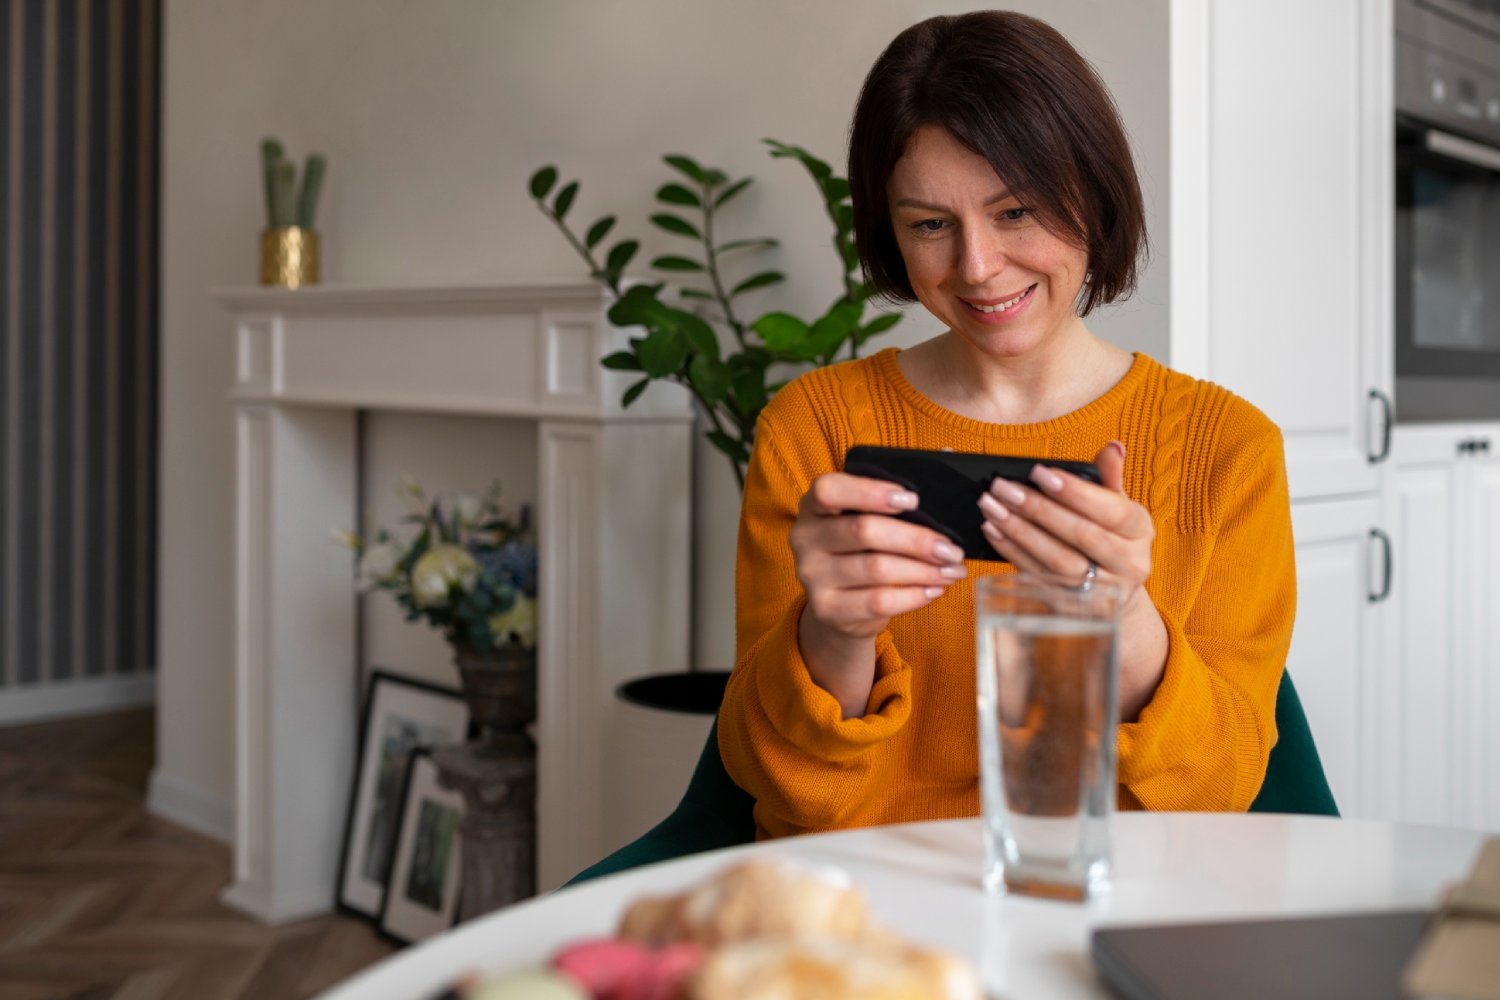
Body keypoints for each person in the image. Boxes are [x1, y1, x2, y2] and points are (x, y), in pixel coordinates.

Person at [717, 10, 1296, 840]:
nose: (978, 268)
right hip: (872, 904)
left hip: (1115, 896)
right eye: (929, 225)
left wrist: (1123, 618)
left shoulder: (1228, 449)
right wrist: (834, 633)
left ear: (1093, 194)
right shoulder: (812, 429)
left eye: (1016, 211)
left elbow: (1224, 790)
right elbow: (770, 783)